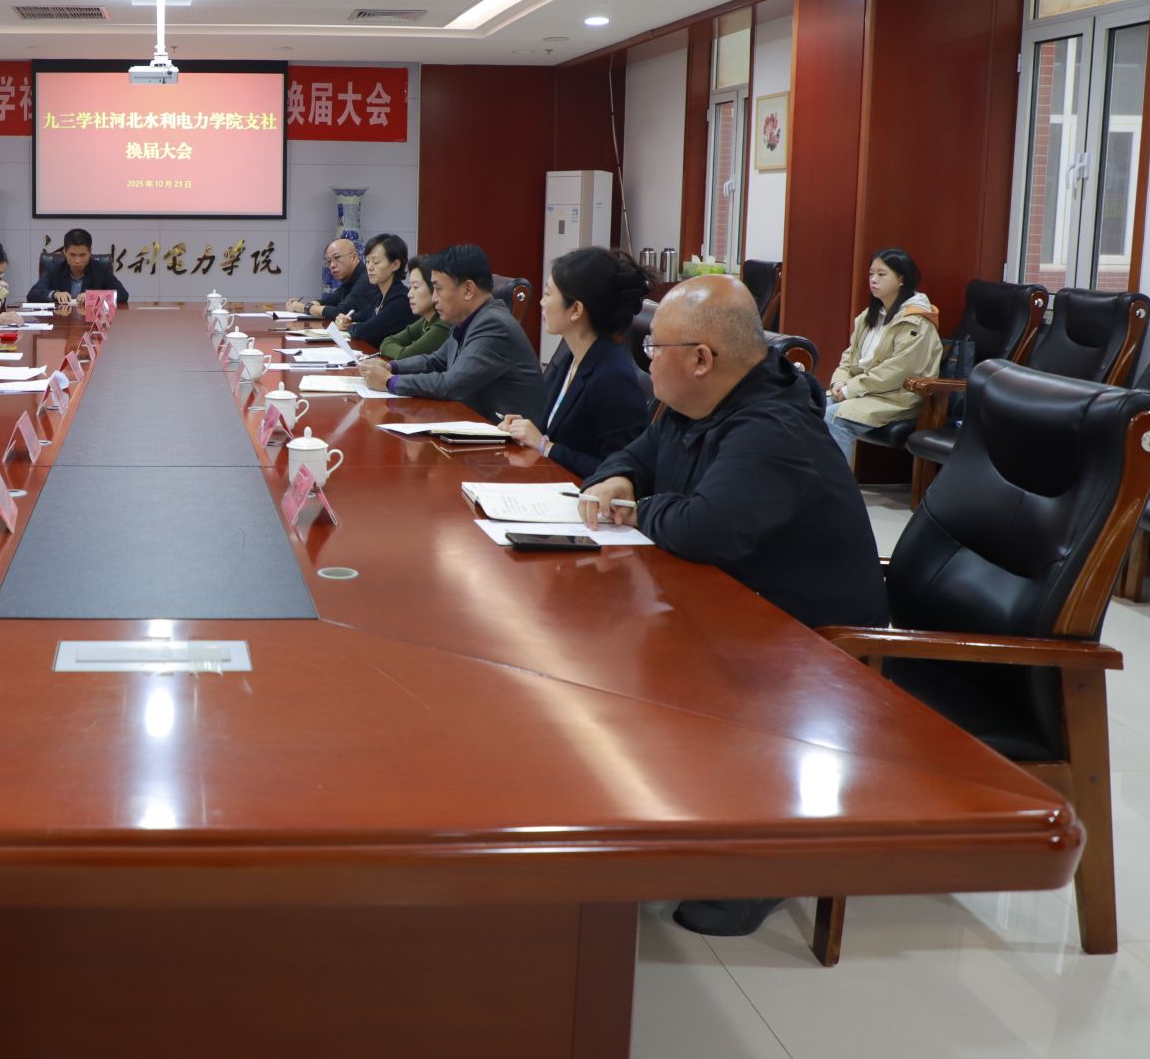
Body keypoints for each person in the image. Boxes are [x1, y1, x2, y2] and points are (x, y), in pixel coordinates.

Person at [577, 275, 888, 941]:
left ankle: (766, 850)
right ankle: (665, 805)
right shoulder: (698, 404)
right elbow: (636, 455)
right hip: (740, 611)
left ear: (701, 358)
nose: (644, 360)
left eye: (653, 349)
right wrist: (620, 479)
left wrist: (636, 508)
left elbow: (705, 529)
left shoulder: (772, 429)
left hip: (810, 651)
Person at [495, 247, 652, 478]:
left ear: (576, 309)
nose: (541, 302)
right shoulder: (571, 357)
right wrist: (525, 430)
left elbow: (618, 472)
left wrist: (545, 446)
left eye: (548, 294)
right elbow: (557, 433)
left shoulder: (613, 377)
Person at [358, 243, 545, 421]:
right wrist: (392, 367)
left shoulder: (493, 325)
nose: (434, 298)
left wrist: (390, 382)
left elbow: (451, 384)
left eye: (438, 289)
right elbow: (436, 361)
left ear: (468, 290)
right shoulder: (466, 318)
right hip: (473, 420)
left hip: (505, 432)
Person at [824, 248, 943, 464]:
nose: (873, 280)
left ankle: (836, 483)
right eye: (871, 274)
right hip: (866, 391)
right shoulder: (868, 317)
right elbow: (849, 357)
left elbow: (899, 370)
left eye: (881, 274)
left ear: (901, 279)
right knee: (807, 407)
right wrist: (839, 382)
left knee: (831, 417)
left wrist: (851, 389)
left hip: (897, 398)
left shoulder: (916, 321)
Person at [334, 233, 413, 345]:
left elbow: (366, 330)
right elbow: (360, 316)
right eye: (367, 261)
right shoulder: (380, 295)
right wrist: (344, 319)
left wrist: (349, 326)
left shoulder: (401, 299)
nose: (370, 267)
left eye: (376, 262)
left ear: (395, 265)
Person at [376, 256, 451, 361]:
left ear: (434, 288)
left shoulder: (444, 324)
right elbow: (387, 342)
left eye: (416, 287)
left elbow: (405, 356)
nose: (409, 294)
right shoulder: (426, 320)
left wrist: (403, 351)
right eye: (410, 287)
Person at [28, 228, 130, 304]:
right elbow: (32, 294)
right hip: (62, 321)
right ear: (65, 252)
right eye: (72, 255)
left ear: (90, 252)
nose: (77, 260)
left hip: (89, 322)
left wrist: (93, 296)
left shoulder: (101, 270)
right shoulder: (55, 269)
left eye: (82, 255)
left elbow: (123, 295)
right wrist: (54, 294)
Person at [288, 237, 372, 321]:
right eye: (329, 261)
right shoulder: (350, 278)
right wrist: (308, 304)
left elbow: (341, 312)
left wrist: (303, 307)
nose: (332, 265)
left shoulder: (367, 279)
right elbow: (330, 301)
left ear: (354, 257)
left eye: (337, 257)